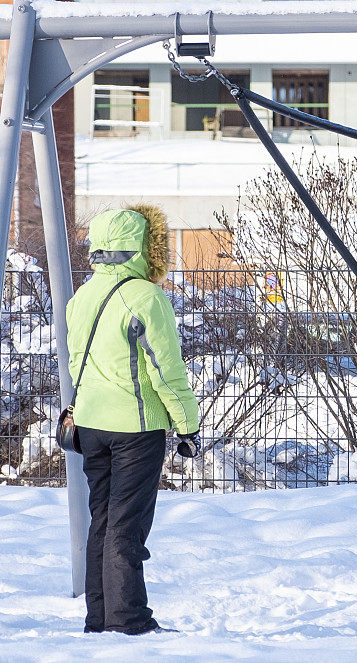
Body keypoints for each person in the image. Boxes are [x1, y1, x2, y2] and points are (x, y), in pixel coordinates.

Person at [66, 205, 200, 635]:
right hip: (135, 428)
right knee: (127, 526)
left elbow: (74, 363)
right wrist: (188, 426)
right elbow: (166, 370)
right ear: (145, 247)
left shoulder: (81, 296)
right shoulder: (146, 296)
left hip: (90, 425)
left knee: (102, 521)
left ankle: (100, 618)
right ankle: (130, 622)